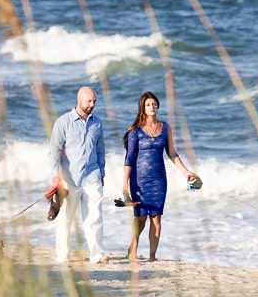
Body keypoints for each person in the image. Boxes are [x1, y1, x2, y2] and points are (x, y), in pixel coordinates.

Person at [122, 91, 197, 261]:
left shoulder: (165, 128)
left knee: (156, 217)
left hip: (159, 180)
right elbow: (130, 158)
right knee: (140, 217)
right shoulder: (135, 131)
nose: (152, 107)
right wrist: (125, 183)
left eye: (154, 104)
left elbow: (172, 153)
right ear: (142, 107)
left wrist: (186, 172)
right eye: (148, 104)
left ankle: (152, 256)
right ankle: (132, 249)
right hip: (139, 180)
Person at [49, 86, 110, 263]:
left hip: (92, 176)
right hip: (69, 178)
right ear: (79, 100)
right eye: (88, 101)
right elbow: (54, 150)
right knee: (66, 219)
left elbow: (100, 150)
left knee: (95, 217)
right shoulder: (63, 122)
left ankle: (97, 255)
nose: (92, 104)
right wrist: (55, 176)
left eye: (94, 101)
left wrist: (102, 172)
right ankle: (62, 255)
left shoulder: (97, 123)